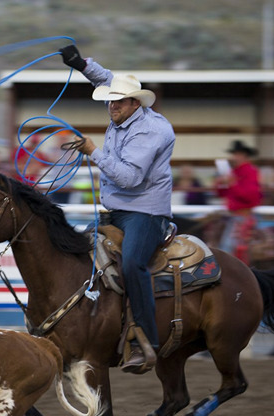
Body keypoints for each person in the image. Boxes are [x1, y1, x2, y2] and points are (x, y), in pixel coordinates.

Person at [60, 44, 175, 376]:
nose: (111, 106)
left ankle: (145, 341)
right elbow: (106, 78)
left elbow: (129, 177)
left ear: (135, 104)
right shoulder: (125, 108)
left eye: (117, 102)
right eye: (109, 101)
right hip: (116, 211)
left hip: (146, 213)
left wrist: (93, 150)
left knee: (134, 263)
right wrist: (80, 64)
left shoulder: (153, 131)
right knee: (78, 258)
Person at [213, 140, 263, 265]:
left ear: (244, 155)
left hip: (241, 215)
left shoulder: (250, 171)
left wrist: (231, 183)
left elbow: (250, 197)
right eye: (233, 154)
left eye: (236, 154)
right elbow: (221, 194)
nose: (233, 157)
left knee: (227, 245)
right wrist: (220, 183)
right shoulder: (234, 172)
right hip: (233, 214)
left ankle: (229, 268)